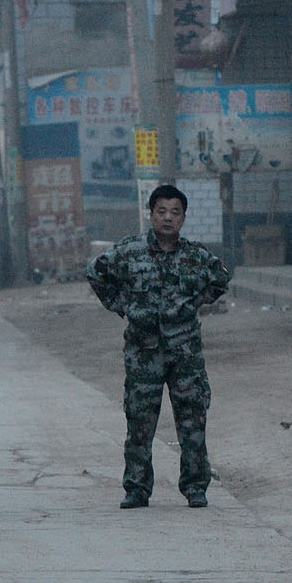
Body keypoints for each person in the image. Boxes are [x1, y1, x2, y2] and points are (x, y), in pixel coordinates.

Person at [86, 183, 230, 509]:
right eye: (161, 211)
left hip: (184, 352)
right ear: (150, 214)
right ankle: (136, 488)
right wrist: (121, 304)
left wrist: (193, 304)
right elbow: (95, 272)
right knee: (139, 423)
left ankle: (195, 487)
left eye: (175, 213)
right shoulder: (130, 251)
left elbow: (220, 279)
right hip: (143, 352)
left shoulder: (195, 255)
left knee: (192, 421)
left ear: (183, 218)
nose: (168, 218)